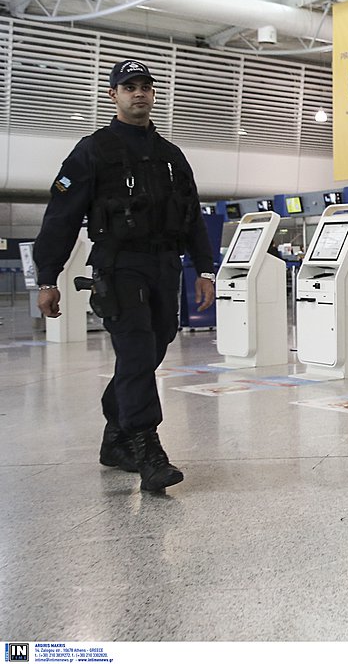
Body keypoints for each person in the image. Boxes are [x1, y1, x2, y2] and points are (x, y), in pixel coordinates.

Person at [34, 59, 216, 492]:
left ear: (153, 94)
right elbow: (61, 215)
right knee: (136, 353)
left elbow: (191, 217)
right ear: (113, 95)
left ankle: (114, 436)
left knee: (157, 343)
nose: (138, 94)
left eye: (145, 87)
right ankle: (146, 448)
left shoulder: (172, 157)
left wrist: (205, 269)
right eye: (128, 87)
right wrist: (48, 277)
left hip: (164, 266)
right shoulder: (92, 151)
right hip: (119, 266)